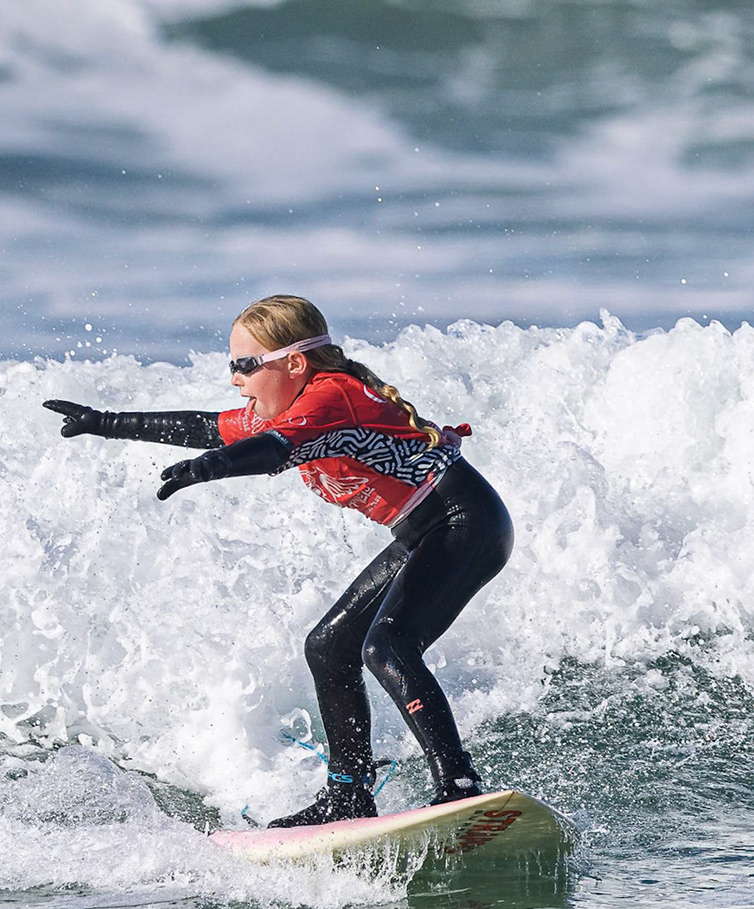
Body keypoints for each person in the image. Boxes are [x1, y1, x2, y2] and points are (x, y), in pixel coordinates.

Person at [42, 295, 513, 828]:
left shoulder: (332, 395)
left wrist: (212, 468)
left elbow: (272, 450)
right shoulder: (291, 408)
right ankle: (348, 795)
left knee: (388, 645)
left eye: (245, 365)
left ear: (294, 363)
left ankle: (457, 783)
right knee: (328, 647)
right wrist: (106, 422)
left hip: (464, 521)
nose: (235, 379)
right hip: (421, 531)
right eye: (232, 366)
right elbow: (207, 427)